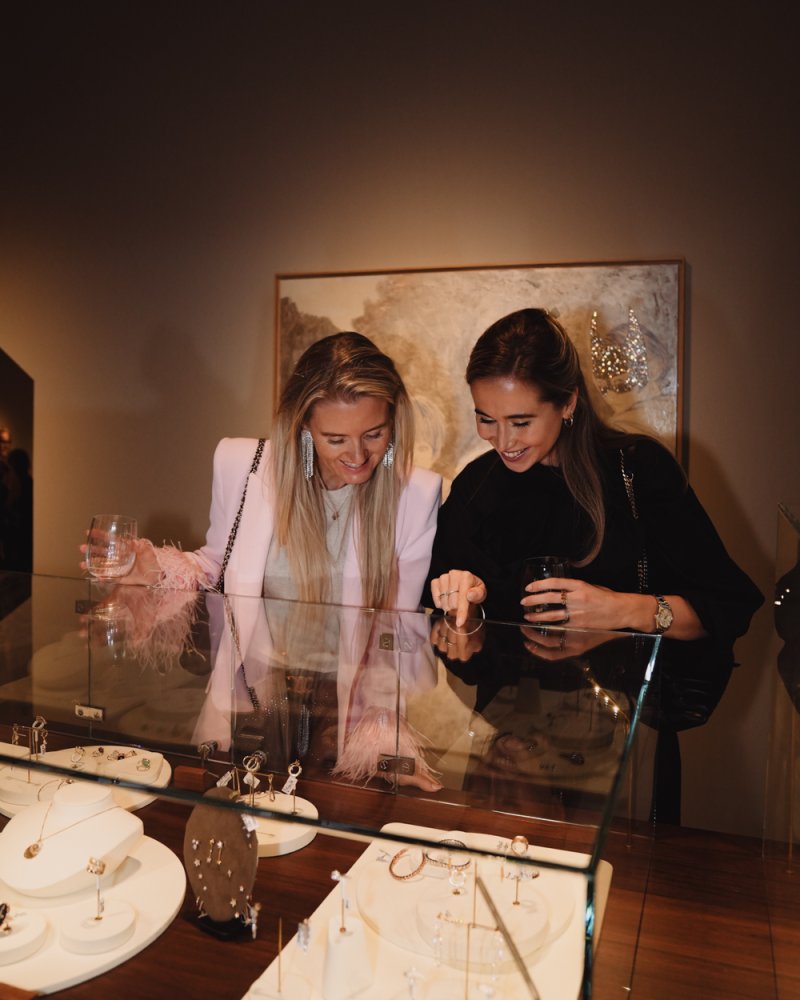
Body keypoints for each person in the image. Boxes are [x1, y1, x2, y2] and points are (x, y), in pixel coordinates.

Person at [426, 307, 763, 645]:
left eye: (521, 423)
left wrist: (622, 610)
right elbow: (452, 624)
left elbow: (727, 607)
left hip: (630, 680)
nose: (503, 442)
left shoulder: (640, 469)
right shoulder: (477, 485)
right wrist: (463, 601)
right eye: (486, 419)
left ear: (568, 403)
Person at [88, 331, 441, 611]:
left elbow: (400, 631)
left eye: (375, 434)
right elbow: (216, 568)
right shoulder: (241, 465)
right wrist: (156, 570)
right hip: (258, 681)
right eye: (335, 439)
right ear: (303, 427)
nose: (358, 455)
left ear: (393, 420)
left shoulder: (417, 497)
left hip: (359, 685)